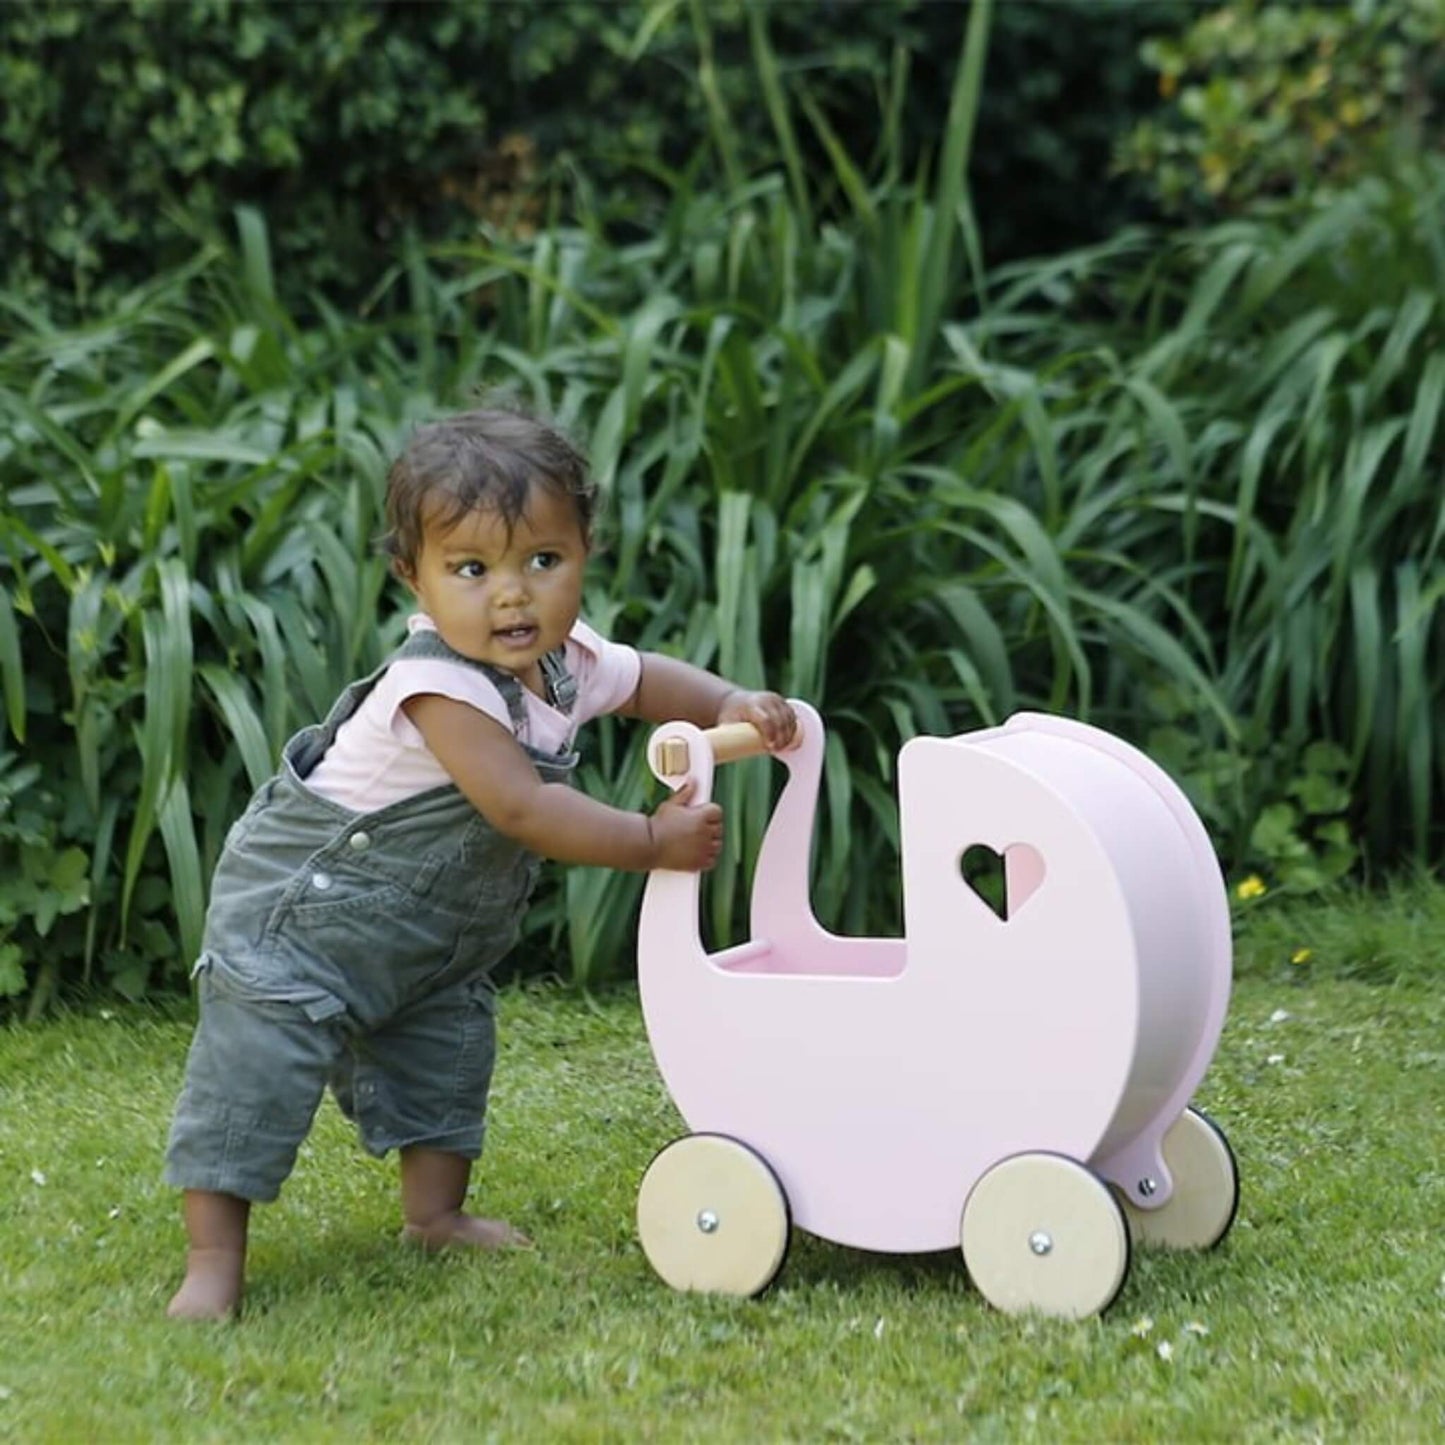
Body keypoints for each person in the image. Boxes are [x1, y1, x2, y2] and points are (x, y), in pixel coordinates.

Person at [164, 406, 798, 1320]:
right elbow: (521, 807)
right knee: (253, 1076)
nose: (512, 596)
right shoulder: (440, 687)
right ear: (412, 578)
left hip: (425, 940)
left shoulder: (567, 662)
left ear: (583, 551)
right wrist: (650, 841)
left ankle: (435, 1216)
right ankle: (212, 1259)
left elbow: (644, 678)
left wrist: (727, 700)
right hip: (300, 922)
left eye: (542, 560)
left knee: (445, 1056)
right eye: (471, 569)